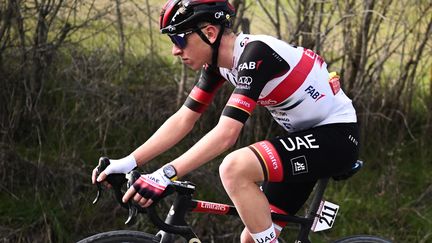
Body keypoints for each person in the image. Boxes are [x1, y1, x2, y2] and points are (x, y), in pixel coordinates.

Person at [91, 0, 360, 242]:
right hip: (306, 140)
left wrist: (165, 174)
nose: (175, 50)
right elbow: (184, 119)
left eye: (179, 40)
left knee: (234, 168)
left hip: (336, 137)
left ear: (209, 33)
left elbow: (226, 134)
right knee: (251, 239)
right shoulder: (220, 65)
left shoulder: (256, 55)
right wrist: (128, 162)